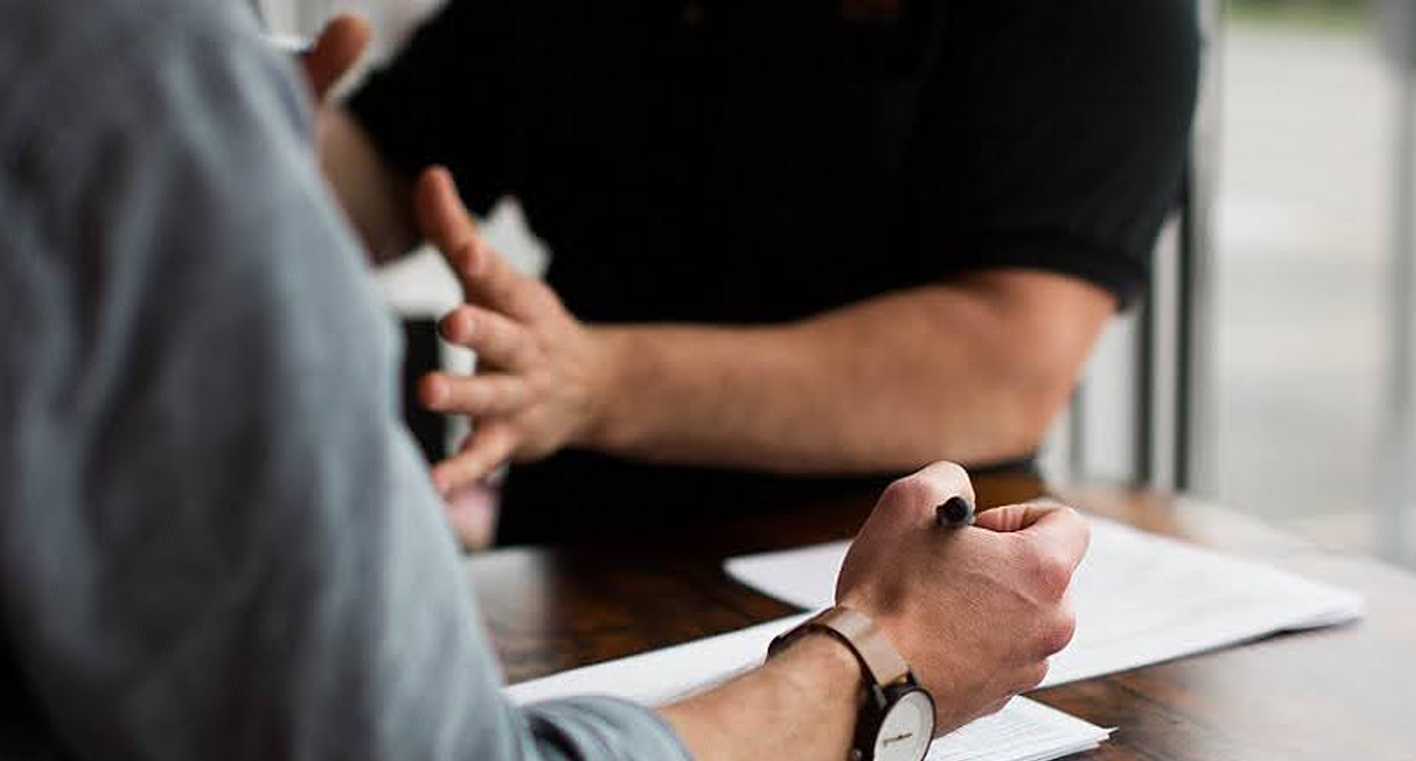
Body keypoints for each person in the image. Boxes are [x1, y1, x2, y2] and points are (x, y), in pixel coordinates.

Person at [0, 1, 1090, 761]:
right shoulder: (102, 56)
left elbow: (1010, 359)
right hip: (592, 625)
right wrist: (882, 658)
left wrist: (222, 156)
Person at [320, 0, 1201, 543]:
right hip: (578, 562)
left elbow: (1002, 364)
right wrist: (254, 145)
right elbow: (388, 168)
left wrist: (593, 382)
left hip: (890, 580)